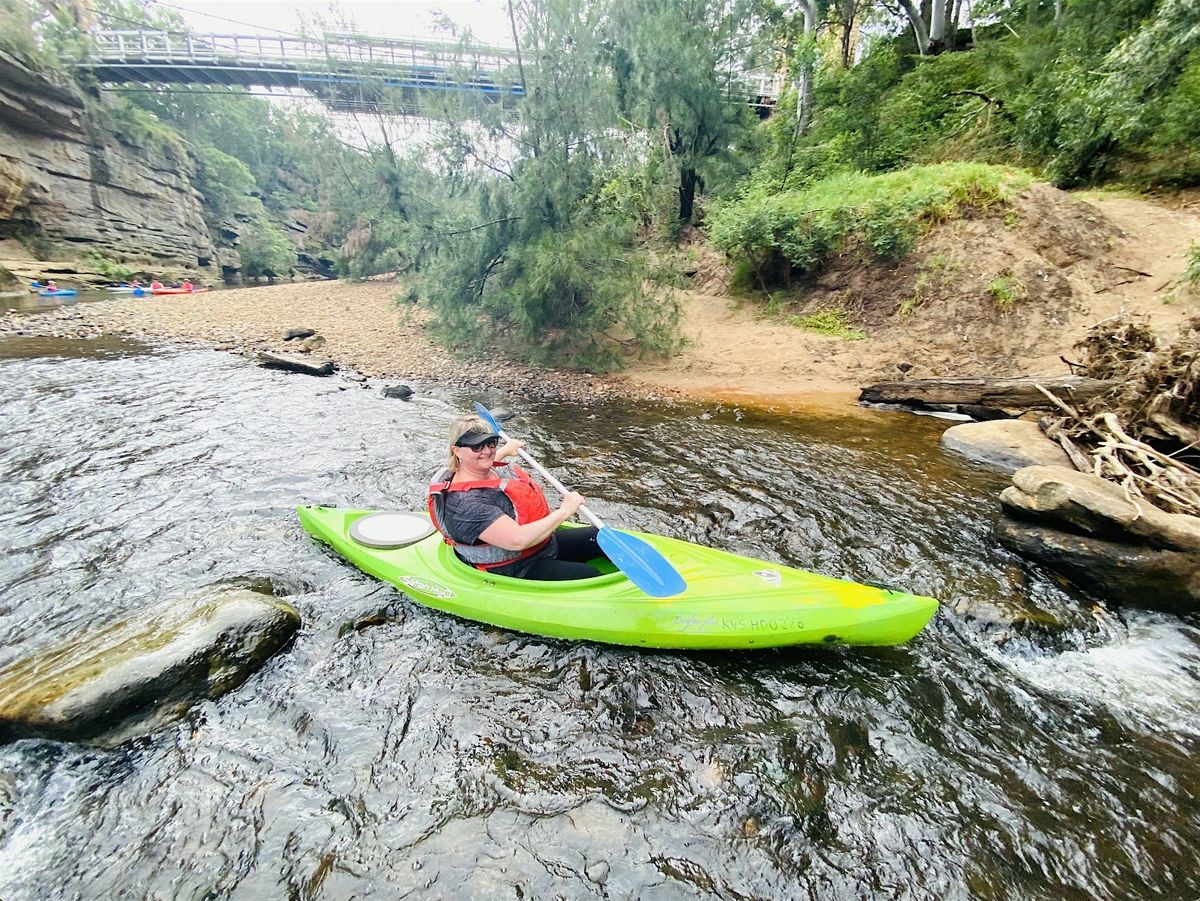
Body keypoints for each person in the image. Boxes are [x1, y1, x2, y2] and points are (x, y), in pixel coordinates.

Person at [427, 415, 610, 580]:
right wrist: (564, 511)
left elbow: (483, 459)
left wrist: (506, 450)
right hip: (516, 566)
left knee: (600, 537)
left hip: (541, 546)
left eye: (491, 443)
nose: (487, 451)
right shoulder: (464, 505)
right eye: (476, 446)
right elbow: (517, 539)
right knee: (588, 576)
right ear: (456, 451)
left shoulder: (478, 469)